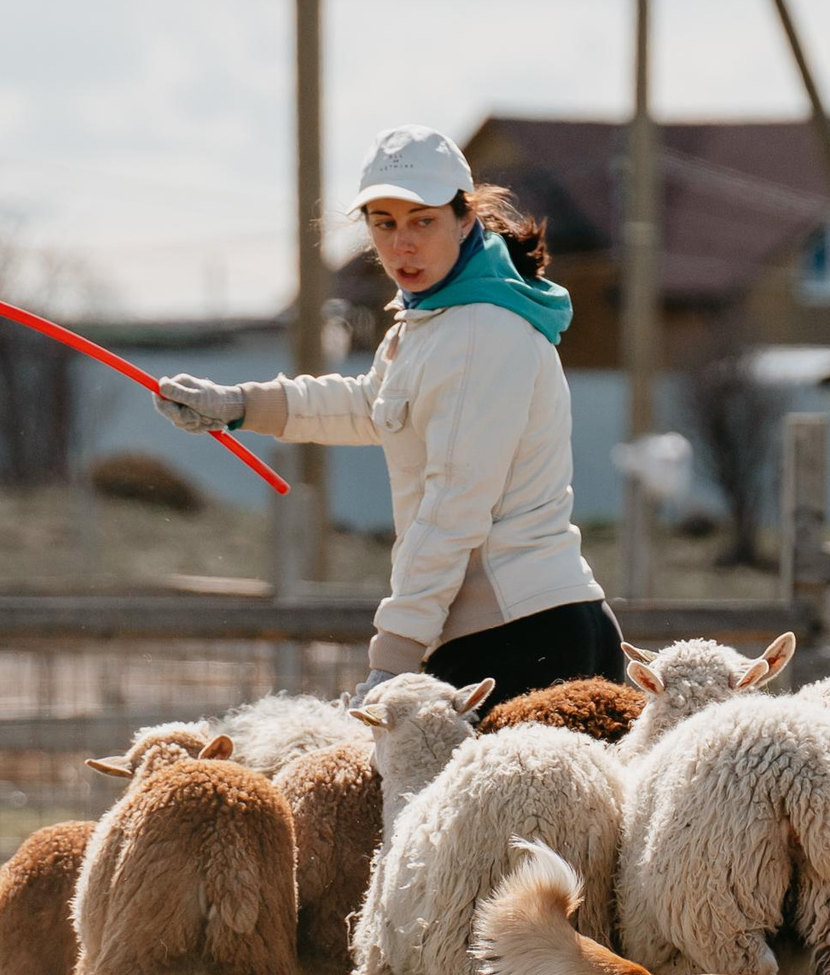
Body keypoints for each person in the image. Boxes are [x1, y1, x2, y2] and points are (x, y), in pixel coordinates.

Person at [152, 123, 626, 711]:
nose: (402, 244)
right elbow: (370, 405)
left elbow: (453, 506)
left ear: (464, 219)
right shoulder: (432, 324)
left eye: (422, 221)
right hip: (513, 632)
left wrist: (393, 657)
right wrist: (240, 404)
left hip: (523, 641)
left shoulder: (480, 331)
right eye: (385, 224)